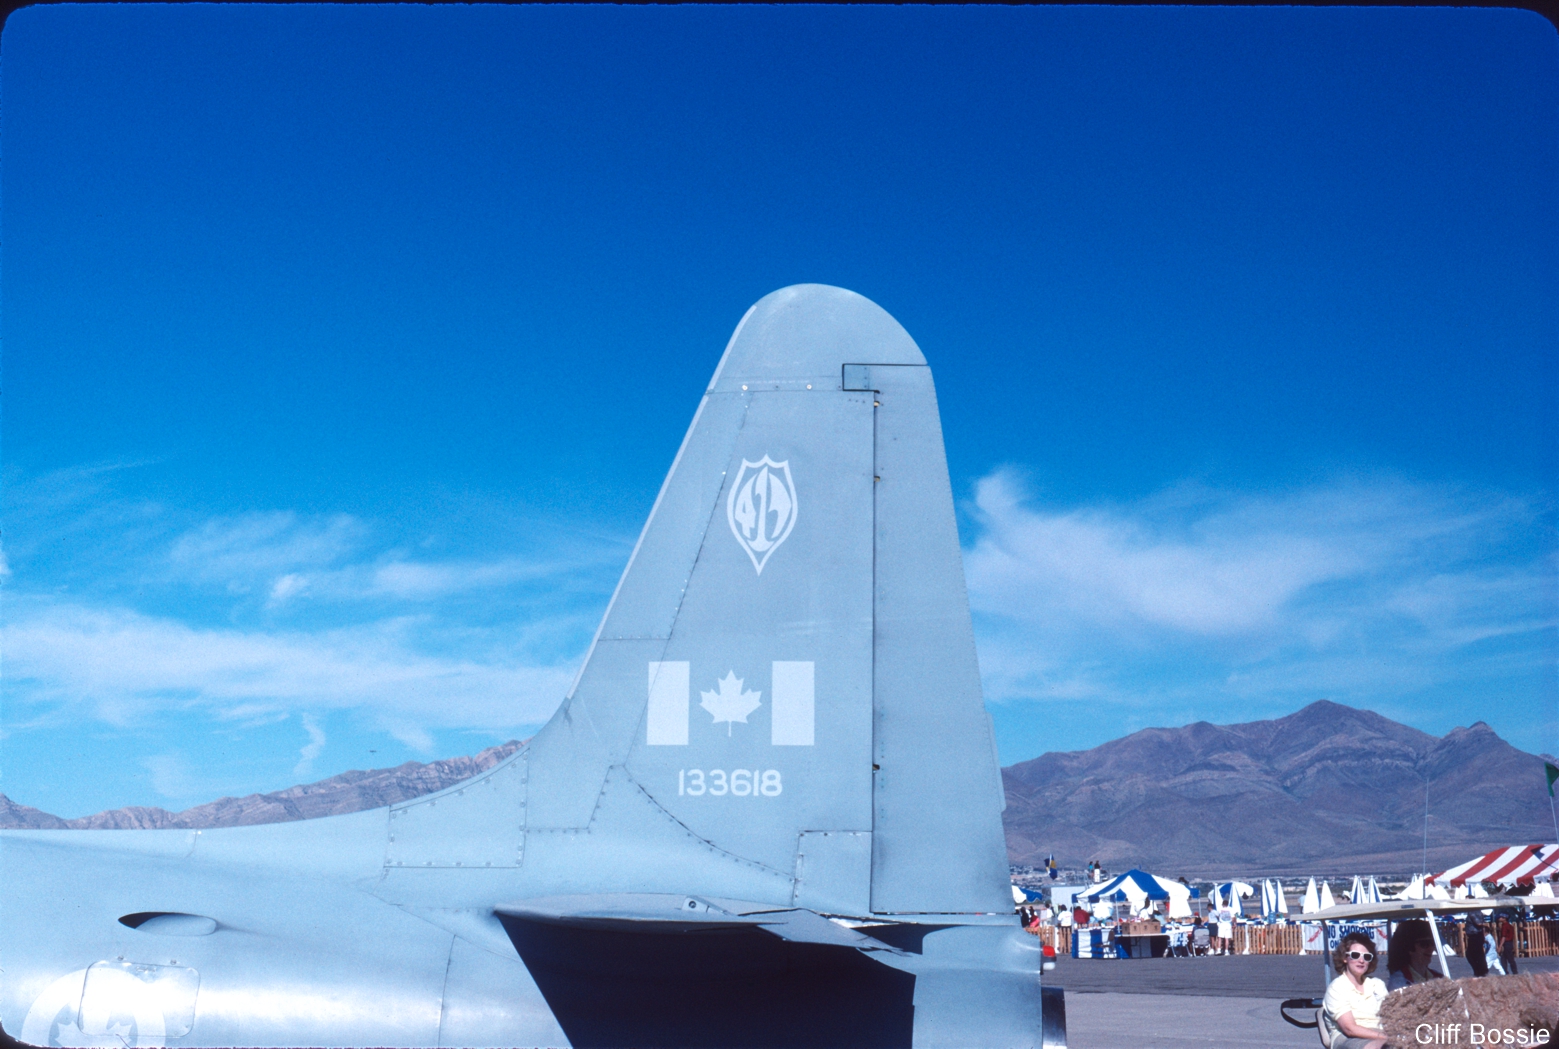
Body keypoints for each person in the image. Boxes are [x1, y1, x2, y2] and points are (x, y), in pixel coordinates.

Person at [1320, 931, 1388, 1049]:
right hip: (1347, 1038)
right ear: (1344, 958)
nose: (1361, 960)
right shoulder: (1337, 987)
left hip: (1380, 1034)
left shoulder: (1377, 985)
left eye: (1367, 957)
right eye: (1355, 955)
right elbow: (1349, 1029)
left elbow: (1390, 1017)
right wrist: (1385, 1037)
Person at [1385, 919, 1443, 991]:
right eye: (1424, 944)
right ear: (1410, 947)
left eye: (1433, 943)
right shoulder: (1399, 982)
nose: (1431, 949)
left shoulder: (1438, 977)